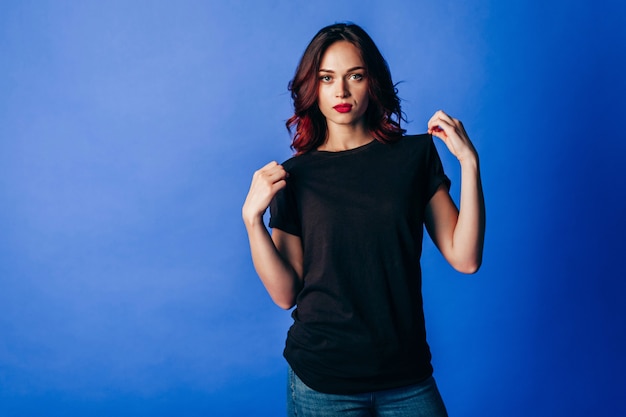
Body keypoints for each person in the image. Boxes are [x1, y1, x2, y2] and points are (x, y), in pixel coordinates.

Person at [242, 22, 485, 417]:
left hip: (406, 374)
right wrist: (253, 221)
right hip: (322, 379)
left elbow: (466, 257)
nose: (341, 91)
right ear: (312, 88)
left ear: (373, 82)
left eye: (355, 76)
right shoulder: (295, 176)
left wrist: (470, 165)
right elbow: (286, 293)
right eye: (326, 78)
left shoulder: (414, 157)